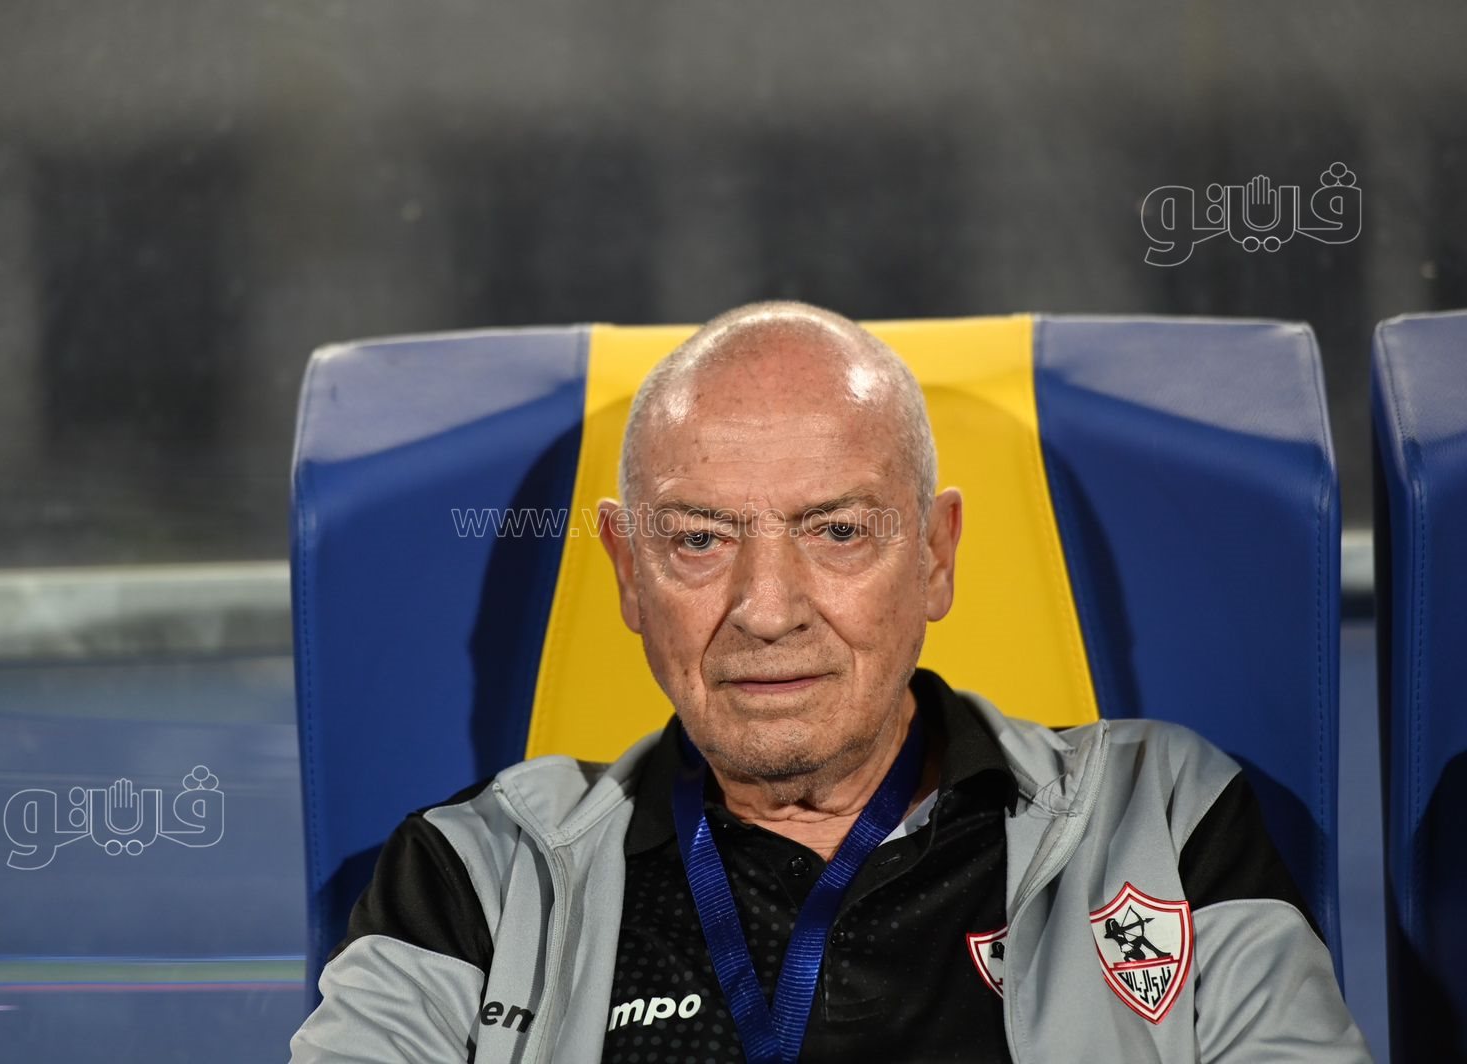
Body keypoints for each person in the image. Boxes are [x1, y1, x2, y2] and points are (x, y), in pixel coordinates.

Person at [289, 301, 1370, 1063]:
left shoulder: (1161, 818)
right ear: (627, 571)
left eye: (837, 530)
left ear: (935, 554)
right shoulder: (475, 878)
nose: (767, 607)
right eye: (700, 538)